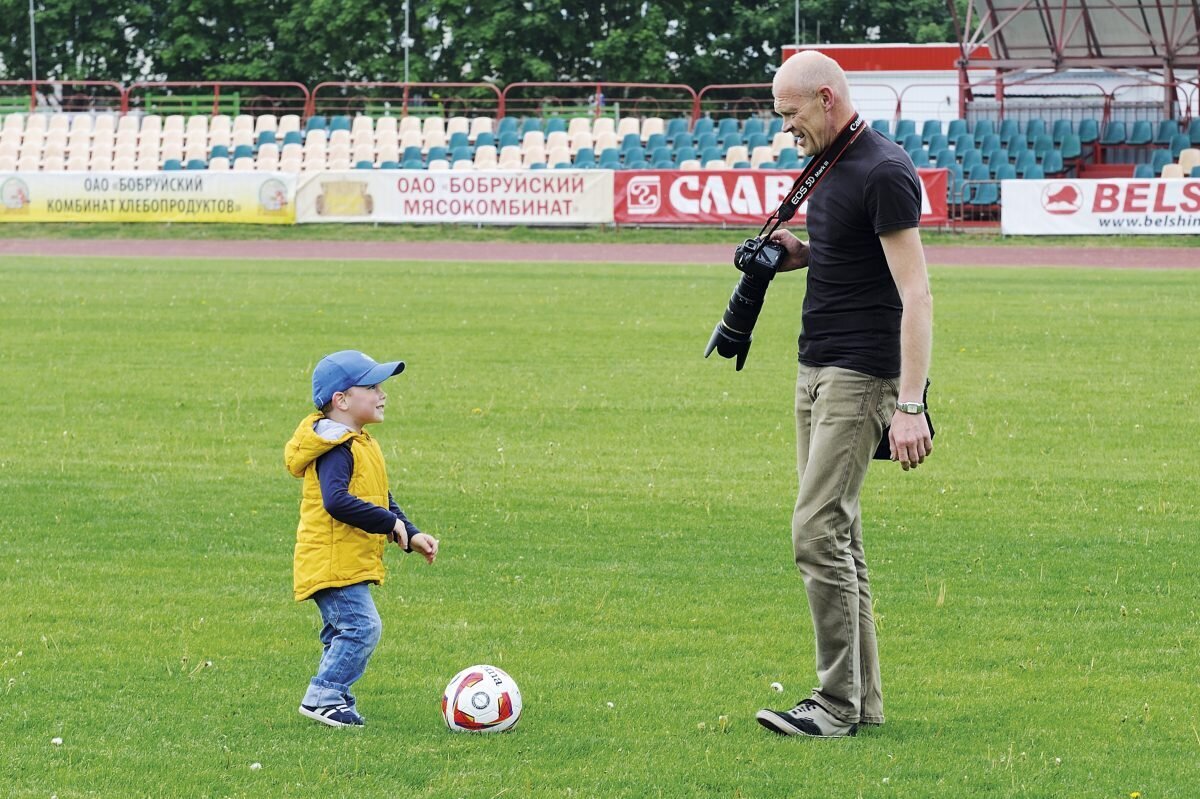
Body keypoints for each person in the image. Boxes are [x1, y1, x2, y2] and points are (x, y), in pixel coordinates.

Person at [753, 51, 933, 738]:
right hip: (815, 364)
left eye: (791, 113)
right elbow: (846, 255)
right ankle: (863, 702)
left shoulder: (882, 169)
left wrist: (910, 404)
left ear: (825, 98)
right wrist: (794, 253)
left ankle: (833, 704)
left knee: (815, 529)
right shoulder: (830, 163)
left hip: (862, 374)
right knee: (839, 532)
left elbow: (916, 291)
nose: (787, 127)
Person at [285, 349, 439, 727]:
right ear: (341, 400)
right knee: (362, 628)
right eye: (372, 387)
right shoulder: (336, 448)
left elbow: (379, 496)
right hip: (333, 560)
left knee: (343, 632)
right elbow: (337, 502)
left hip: (345, 558)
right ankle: (323, 696)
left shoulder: (359, 442)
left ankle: (335, 699)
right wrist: (388, 522)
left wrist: (410, 532)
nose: (382, 393)